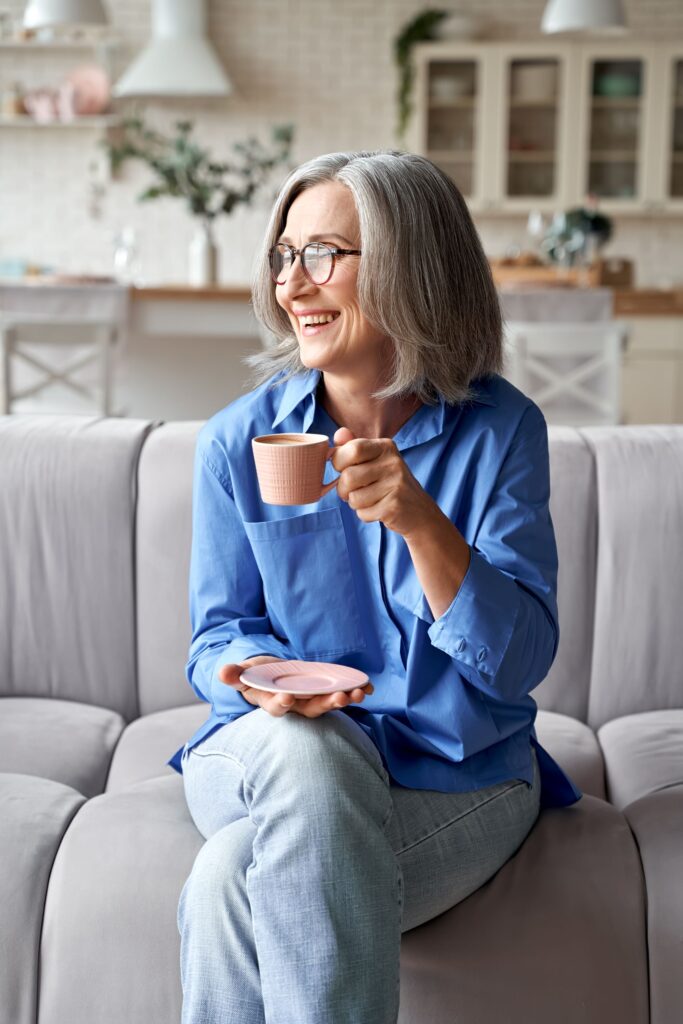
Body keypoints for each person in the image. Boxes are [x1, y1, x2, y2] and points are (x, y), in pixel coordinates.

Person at [168, 149, 582, 1024]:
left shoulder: (501, 431)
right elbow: (215, 640)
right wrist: (255, 678)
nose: (293, 284)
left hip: (455, 774)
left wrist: (421, 522)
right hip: (264, 754)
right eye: (285, 255)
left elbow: (516, 667)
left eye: (323, 254)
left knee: (223, 884)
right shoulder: (234, 441)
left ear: (409, 268)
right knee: (309, 749)